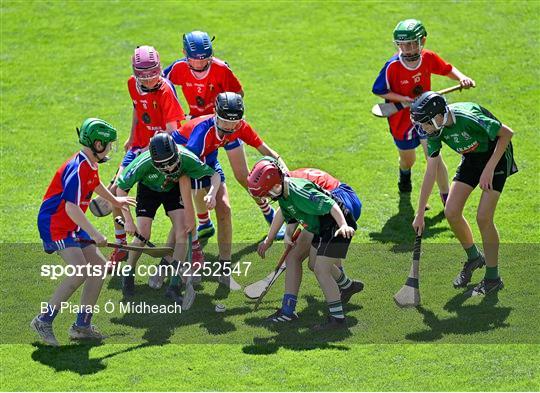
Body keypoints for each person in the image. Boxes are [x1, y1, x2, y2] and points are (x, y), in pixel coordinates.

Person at [164, 31, 283, 239]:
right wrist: (175, 115)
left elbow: (238, 95)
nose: (200, 64)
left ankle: (268, 212)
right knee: (196, 175)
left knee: (243, 176)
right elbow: (164, 87)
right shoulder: (178, 69)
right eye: (195, 59)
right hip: (199, 130)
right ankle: (204, 222)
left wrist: (224, 114)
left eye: (205, 59)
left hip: (224, 125)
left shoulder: (221, 69)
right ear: (184, 54)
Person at [32, 118, 136, 346]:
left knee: (98, 268)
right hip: (56, 224)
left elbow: (95, 184)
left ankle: (82, 326)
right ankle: (43, 320)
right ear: (98, 144)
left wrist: (114, 198)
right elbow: (71, 207)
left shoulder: (89, 164)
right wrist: (96, 234)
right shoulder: (78, 167)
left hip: (70, 223)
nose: (110, 148)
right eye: (108, 144)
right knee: (80, 271)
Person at [173, 93, 287, 288]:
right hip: (184, 162)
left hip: (208, 159)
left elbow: (263, 148)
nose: (229, 127)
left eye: (234, 123)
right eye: (225, 122)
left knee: (224, 209)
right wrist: (207, 192)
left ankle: (224, 271)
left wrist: (285, 170)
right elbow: (190, 169)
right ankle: (178, 263)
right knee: (184, 217)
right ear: (216, 115)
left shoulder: (238, 126)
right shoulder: (202, 132)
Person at [411, 92, 517, 295]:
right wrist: (420, 213)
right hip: (472, 157)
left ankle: (493, 278)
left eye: (425, 123)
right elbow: (431, 170)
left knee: (483, 217)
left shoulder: (467, 117)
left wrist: (489, 169)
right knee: (451, 211)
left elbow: (507, 133)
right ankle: (474, 258)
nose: (424, 128)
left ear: (438, 116)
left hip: (497, 156)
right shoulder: (435, 131)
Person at [249, 158, 361, 330]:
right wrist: (287, 235)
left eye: (266, 194)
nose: (266, 198)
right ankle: (346, 286)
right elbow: (291, 213)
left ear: (273, 185)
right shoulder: (283, 190)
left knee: (320, 268)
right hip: (324, 218)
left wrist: (343, 225)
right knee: (314, 263)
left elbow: (330, 204)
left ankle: (335, 317)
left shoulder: (297, 190)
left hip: (335, 216)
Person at [372, 19, 475, 199]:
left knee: (433, 157)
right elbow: (379, 90)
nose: (408, 49)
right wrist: (403, 99)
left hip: (426, 116)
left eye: (412, 44)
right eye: (403, 45)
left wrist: (462, 78)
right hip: (401, 120)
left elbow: (446, 69)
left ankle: (446, 198)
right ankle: (404, 174)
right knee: (408, 160)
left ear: (422, 41)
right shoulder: (392, 66)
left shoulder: (428, 57)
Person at [116, 133, 220, 298]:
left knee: (182, 232)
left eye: (172, 163)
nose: (170, 169)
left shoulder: (186, 157)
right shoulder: (143, 162)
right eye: (163, 167)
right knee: (143, 234)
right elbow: (120, 188)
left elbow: (214, 175)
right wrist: (128, 220)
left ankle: (174, 285)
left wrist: (212, 194)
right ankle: (128, 272)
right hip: (148, 190)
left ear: (176, 153)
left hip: (172, 189)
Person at [108, 45, 185, 267]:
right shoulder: (132, 84)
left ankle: (183, 253)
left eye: (153, 73)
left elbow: (173, 133)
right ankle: (121, 245)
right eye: (144, 75)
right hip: (139, 146)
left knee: (179, 212)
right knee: (115, 192)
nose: (149, 79)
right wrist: (132, 138)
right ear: (135, 73)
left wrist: (149, 149)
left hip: (160, 150)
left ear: (159, 68)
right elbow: (137, 108)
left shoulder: (166, 91)